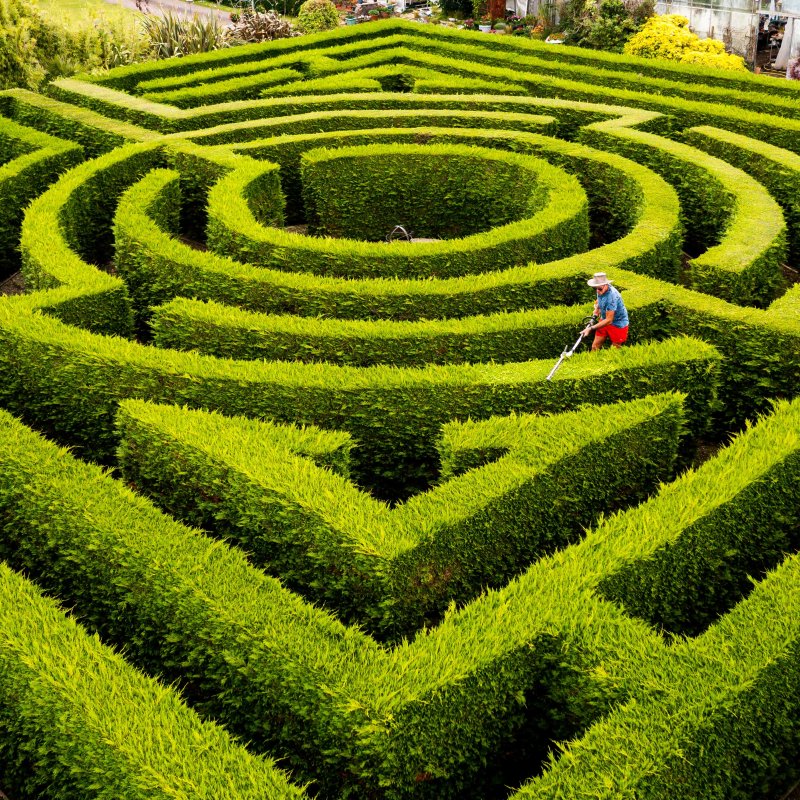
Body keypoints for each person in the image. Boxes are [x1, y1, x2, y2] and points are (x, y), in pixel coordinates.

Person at [582, 272, 629, 349]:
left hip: (618, 323)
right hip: (604, 319)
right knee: (595, 347)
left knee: (615, 349)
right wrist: (597, 309)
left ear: (606, 285)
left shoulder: (612, 297)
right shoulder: (601, 289)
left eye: (599, 288)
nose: (597, 291)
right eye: (595, 288)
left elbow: (609, 320)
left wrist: (590, 328)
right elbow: (599, 300)